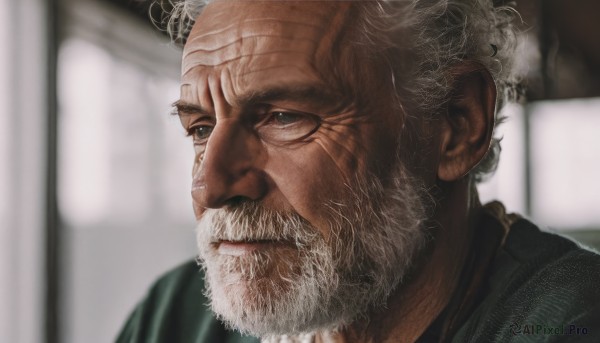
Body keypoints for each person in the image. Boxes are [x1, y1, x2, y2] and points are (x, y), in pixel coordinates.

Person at [118, 0, 600, 342]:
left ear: (456, 123)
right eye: (200, 129)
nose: (210, 186)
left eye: (284, 117)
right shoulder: (177, 315)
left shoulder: (571, 320)